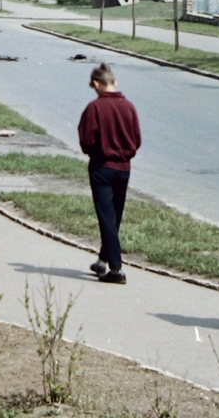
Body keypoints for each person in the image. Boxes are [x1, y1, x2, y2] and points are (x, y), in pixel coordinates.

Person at [77, 63, 141, 284]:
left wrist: (96, 151)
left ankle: (116, 269)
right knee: (114, 217)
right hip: (124, 169)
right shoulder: (129, 107)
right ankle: (102, 260)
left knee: (106, 218)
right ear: (114, 82)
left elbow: (86, 140)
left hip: (101, 168)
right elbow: (136, 140)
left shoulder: (94, 108)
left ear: (97, 84)